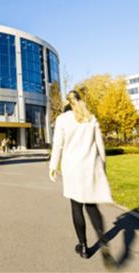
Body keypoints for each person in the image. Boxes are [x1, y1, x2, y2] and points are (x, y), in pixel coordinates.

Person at [49, 90, 114, 264]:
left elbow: (58, 145)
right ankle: (103, 240)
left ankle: (83, 247)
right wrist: (103, 168)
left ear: (67, 103)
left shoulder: (62, 119)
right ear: (79, 100)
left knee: (76, 207)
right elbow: (100, 146)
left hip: (73, 169)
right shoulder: (90, 117)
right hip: (91, 167)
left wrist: (53, 166)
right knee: (91, 206)